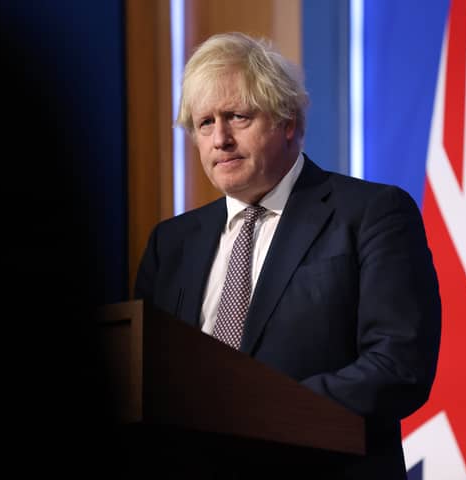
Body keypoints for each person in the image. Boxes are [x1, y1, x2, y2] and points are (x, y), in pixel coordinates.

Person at [135, 31, 441, 479]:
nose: (219, 138)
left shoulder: (370, 214)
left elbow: (398, 366)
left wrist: (257, 411)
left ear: (288, 122)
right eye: (204, 123)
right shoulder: (171, 243)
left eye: (236, 116)